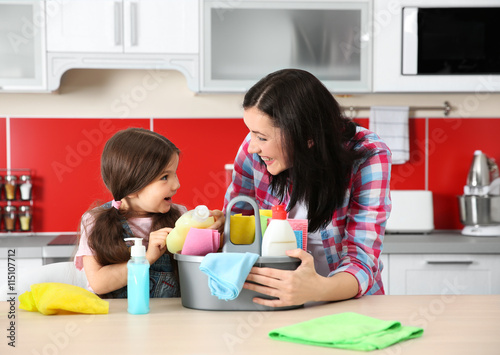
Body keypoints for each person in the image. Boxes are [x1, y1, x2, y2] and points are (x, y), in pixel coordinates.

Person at [222, 69, 392, 307]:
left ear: (307, 137)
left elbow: (361, 259)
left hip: (347, 303)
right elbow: (237, 226)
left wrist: (315, 289)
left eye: (262, 137)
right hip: (274, 300)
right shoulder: (253, 154)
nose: (251, 147)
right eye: (251, 133)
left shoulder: (368, 155)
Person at [74, 127, 222, 298]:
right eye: (165, 177)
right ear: (131, 187)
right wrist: (146, 259)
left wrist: (212, 238)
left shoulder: (180, 217)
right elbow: (98, 283)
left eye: (175, 174)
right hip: (115, 320)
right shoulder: (94, 221)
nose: (176, 185)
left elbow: (197, 272)